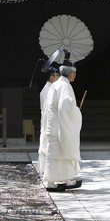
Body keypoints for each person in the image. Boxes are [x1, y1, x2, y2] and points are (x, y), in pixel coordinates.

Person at [42, 52, 83, 192]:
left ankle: (65, 180)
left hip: (53, 125)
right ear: (71, 74)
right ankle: (54, 182)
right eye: (74, 74)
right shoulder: (65, 86)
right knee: (62, 154)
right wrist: (76, 113)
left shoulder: (56, 84)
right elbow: (65, 107)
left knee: (57, 156)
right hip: (59, 126)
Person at [37, 66, 60, 176]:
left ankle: (48, 170)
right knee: (47, 145)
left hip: (49, 119)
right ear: (52, 77)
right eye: (57, 77)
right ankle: (46, 171)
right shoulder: (47, 90)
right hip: (48, 120)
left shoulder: (50, 89)